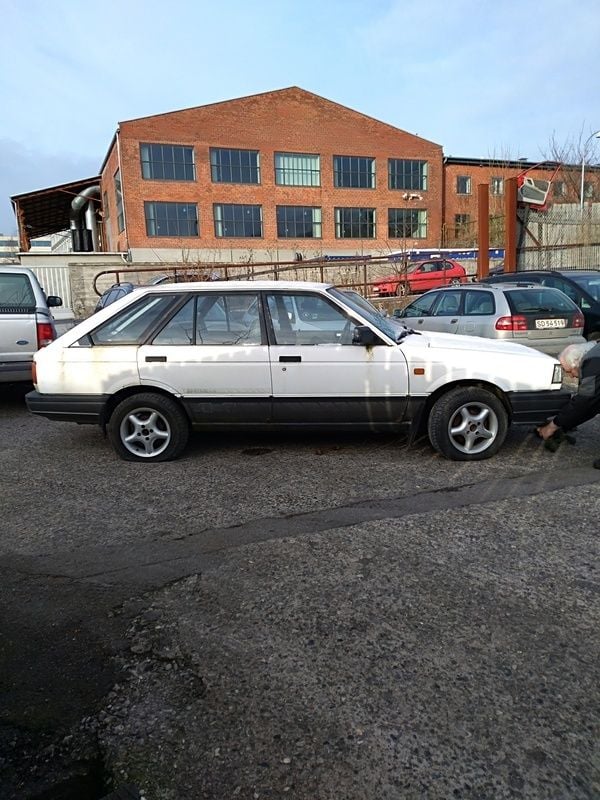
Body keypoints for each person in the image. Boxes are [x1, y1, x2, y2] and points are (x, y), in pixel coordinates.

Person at [536, 341, 600, 467]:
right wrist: (564, 425)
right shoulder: (595, 354)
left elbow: (584, 402)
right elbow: (593, 405)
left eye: (569, 371)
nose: (571, 376)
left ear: (576, 363)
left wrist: (553, 426)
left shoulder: (592, 362)